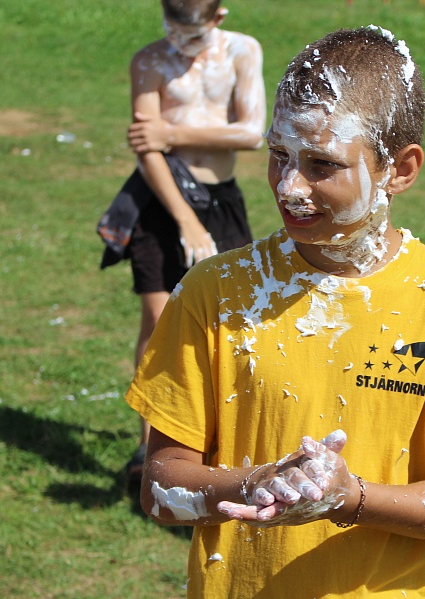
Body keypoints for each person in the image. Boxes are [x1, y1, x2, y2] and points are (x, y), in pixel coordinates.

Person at [125, 26, 425, 599]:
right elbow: (161, 489)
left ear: (401, 169)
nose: (290, 186)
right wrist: (259, 484)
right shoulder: (216, 291)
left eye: (321, 164)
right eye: (279, 155)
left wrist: (348, 497)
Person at [101, 0, 266, 486]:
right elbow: (147, 148)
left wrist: (174, 129)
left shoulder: (242, 51)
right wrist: (186, 222)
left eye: (190, 36)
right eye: (170, 31)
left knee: (232, 321)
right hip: (161, 199)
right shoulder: (149, 61)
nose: (178, 44)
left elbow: (252, 132)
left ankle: (222, 442)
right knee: (157, 319)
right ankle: (147, 445)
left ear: (220, 17)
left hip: (221, 198)